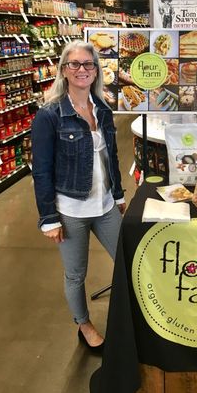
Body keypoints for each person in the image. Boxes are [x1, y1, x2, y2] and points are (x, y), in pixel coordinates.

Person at [31, 40, 126, 353]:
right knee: (76, 274)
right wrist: (48, 219)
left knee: (128, 261)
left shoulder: (102, 108)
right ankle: (83, 325)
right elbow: (41, 171)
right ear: (64, 70)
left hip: (106, 205)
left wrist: (120, 194)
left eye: (88, 64)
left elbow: (110, 156)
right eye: (75, 64)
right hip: (70, 209)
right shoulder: (49, 116)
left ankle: (129, 316)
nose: (82, 69)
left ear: (97, 70)